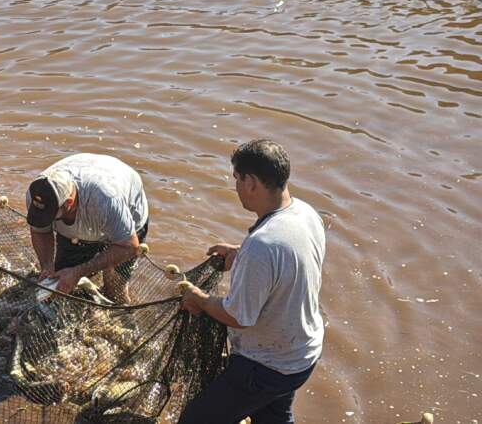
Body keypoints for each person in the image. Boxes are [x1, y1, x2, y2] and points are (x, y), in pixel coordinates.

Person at [177, 139, 326, 424]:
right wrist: (240, 252)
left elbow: (238, 316)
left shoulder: (262, 246)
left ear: (252, 183)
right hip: (301, 353)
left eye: (237, 179)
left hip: (266, 366)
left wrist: (200, 299)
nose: (235, 187)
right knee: (273, 418)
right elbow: (289, 263)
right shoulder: (305, 213)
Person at [26, 153, 149, 304]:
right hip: (83, 218)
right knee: (61, 285)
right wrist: (47, 266)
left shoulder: (105, 200)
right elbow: (40, 231)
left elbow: (130, 246)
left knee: (114, 291)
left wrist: (79, 272)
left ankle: (121, 312)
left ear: (69, 203)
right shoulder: (37, 193)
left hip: (124, 223)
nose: (46, 218)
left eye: (51, 214)